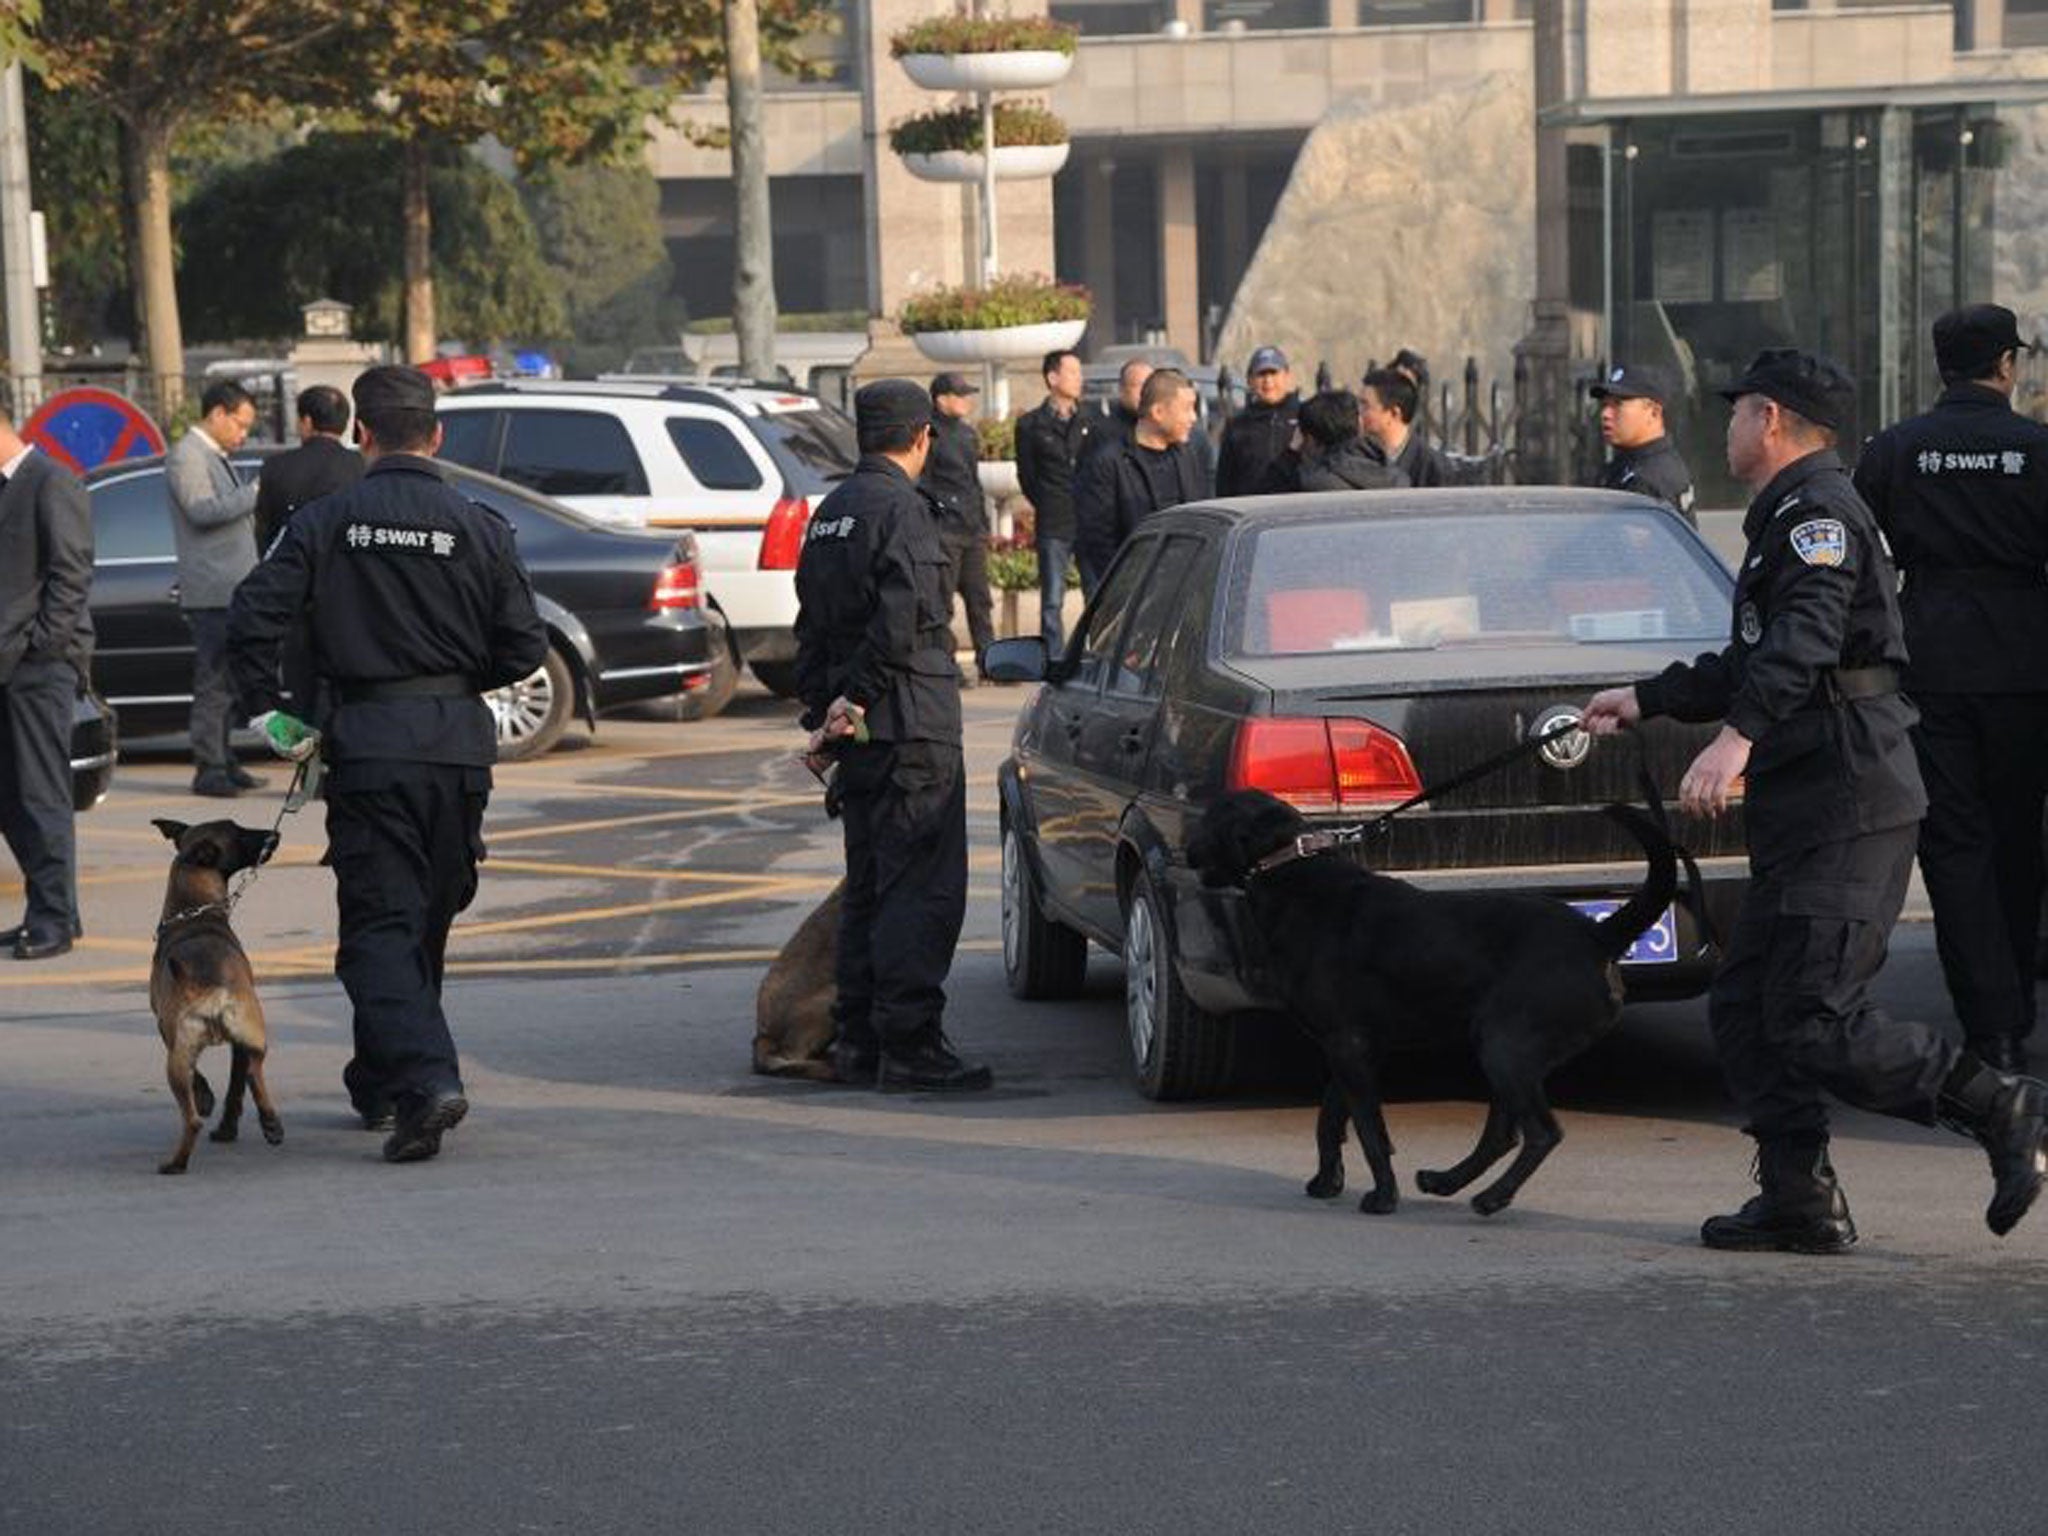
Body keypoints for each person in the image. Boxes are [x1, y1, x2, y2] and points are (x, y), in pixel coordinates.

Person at [1582, 347, 2048, 1253]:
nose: (1725, 428)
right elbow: (1759, 655)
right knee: (1748, 1005)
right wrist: (1648, 698)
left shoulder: (1818, 519)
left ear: (1768, 419)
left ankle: (2000, 1106)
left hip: (1851, 799)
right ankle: (1799, 1197)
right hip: (1815, 801)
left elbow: (1805, 639)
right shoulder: (1792, 515)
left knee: (1816, 1017)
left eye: (1735, 411)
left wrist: (1735, 739)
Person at [226, 365, 548, 1163]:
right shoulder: (479, 525)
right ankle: (384, 1085)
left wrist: (268, 710)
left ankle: (426, 1079)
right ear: (436, 436)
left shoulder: (327, 521)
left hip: (370, 742)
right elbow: (525, 647)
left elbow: (252, 614)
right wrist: (451, 682)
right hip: (458, 749)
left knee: (379, 928)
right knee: (421, 919)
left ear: (363, 434)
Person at [1852, 303, 2048, 1073]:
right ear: (2007, 364)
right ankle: (2019, 1008)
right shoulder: (2037, 449)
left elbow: (1861, 552)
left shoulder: (1897, 449)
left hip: (1928, 654)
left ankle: (1988, 1021)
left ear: (1941, 366)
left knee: (1954, 841)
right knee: (2017, 834)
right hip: (2027, 659)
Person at [793, 378, 990, 1093]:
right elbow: (902, 623)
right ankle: (909, 1044)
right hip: (910, 727)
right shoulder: (903, 511)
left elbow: (809, 629)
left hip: (863, 737)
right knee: (921, 890)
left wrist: (825, 716)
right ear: (920, 437)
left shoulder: (831, 514)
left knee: (872, 887)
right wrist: (854, 701)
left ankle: (859, 1042)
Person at [0, 388, 93, 961]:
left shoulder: (50, 480)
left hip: (37, 669)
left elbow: (71, 572)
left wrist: (43, 647)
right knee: (11, 797)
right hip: (6, 668)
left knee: (41, 795)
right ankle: (48, 909)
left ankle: (55, 919)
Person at [168, 379, 265, 798]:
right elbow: (202, 510)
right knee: (213, 683)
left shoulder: (213, 454)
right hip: (213, 589)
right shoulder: (188, 455)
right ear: (218, 414)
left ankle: (225, 760)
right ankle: (209, 767)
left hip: (231, 587)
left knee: (227, 682)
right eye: (240, 425)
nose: (243, 434)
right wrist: (256, 494)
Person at [1075, 367, 1212, 577]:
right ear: (1158, 412)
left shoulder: (1188, 456)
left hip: (1188, 585)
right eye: (1187, 409)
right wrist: (1126, 588)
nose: (1193, 418)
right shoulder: (1110, 463)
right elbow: (1098, 539)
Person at [1013, 349, 1091, 652]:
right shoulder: (1030, 425)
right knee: (1052, 599)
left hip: (1089, 520)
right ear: (1052, 378)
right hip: (1054, 521)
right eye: (1072, 372)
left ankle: (1093, 657)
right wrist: (1047, 501)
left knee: (1096, 594)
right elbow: (1027, 477)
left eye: (1079, 372)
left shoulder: (1090, 420)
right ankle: (1055, 660)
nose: (1079, 379)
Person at [921, 372, 995, 682]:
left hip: (971, 530)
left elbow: (973, 481)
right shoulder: (928, 435)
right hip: (945, 532)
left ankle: (990, 663)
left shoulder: (966, 434)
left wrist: (982, 522)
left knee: (980, 600)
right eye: (960, 394)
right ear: (941, 399)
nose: (966, 401)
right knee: (942, 604)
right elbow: (922, 483)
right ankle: (946, 665)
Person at [1074, 357, 1153, 598]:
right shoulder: (1102, 433)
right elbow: (1084, 489)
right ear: (1122, 390)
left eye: (1150, 386)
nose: (1145, 394)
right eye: (1139, 386)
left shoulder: (1159, 432)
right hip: (1107, 546)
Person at [254, 384, 364, 551]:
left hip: (292, 565)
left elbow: (264, 531)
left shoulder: (276, 466)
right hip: (347, 567)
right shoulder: (362, 466)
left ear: (307, 421)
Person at [1589, 363, 1697, 526]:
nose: (1605, 414)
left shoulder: (1647, 479)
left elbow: (1632, 548)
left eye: (1618, 404)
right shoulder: (1644, 461)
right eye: (1605, 405)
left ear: (1653, 412)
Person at [1256, 388, 1406, 493]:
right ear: (1359, 424)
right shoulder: (1396, 477)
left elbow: (1264, 497)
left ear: (1310, 440)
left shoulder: (1310, 485)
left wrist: (1290, 452)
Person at [1216, 345, 1299, 497]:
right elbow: (1224, 481)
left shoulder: (1304, 417)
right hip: (1251, 511)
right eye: (1261, 374)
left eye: (1274, 373)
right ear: (1249, 380)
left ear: (1287, 376)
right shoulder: (1237, 426)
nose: (1268, 381)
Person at [1360, 367, 1449, 488]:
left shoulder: (1430, 468)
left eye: (1366, 406)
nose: (1359, 413)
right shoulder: (1359, 457)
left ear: (1394, 413)